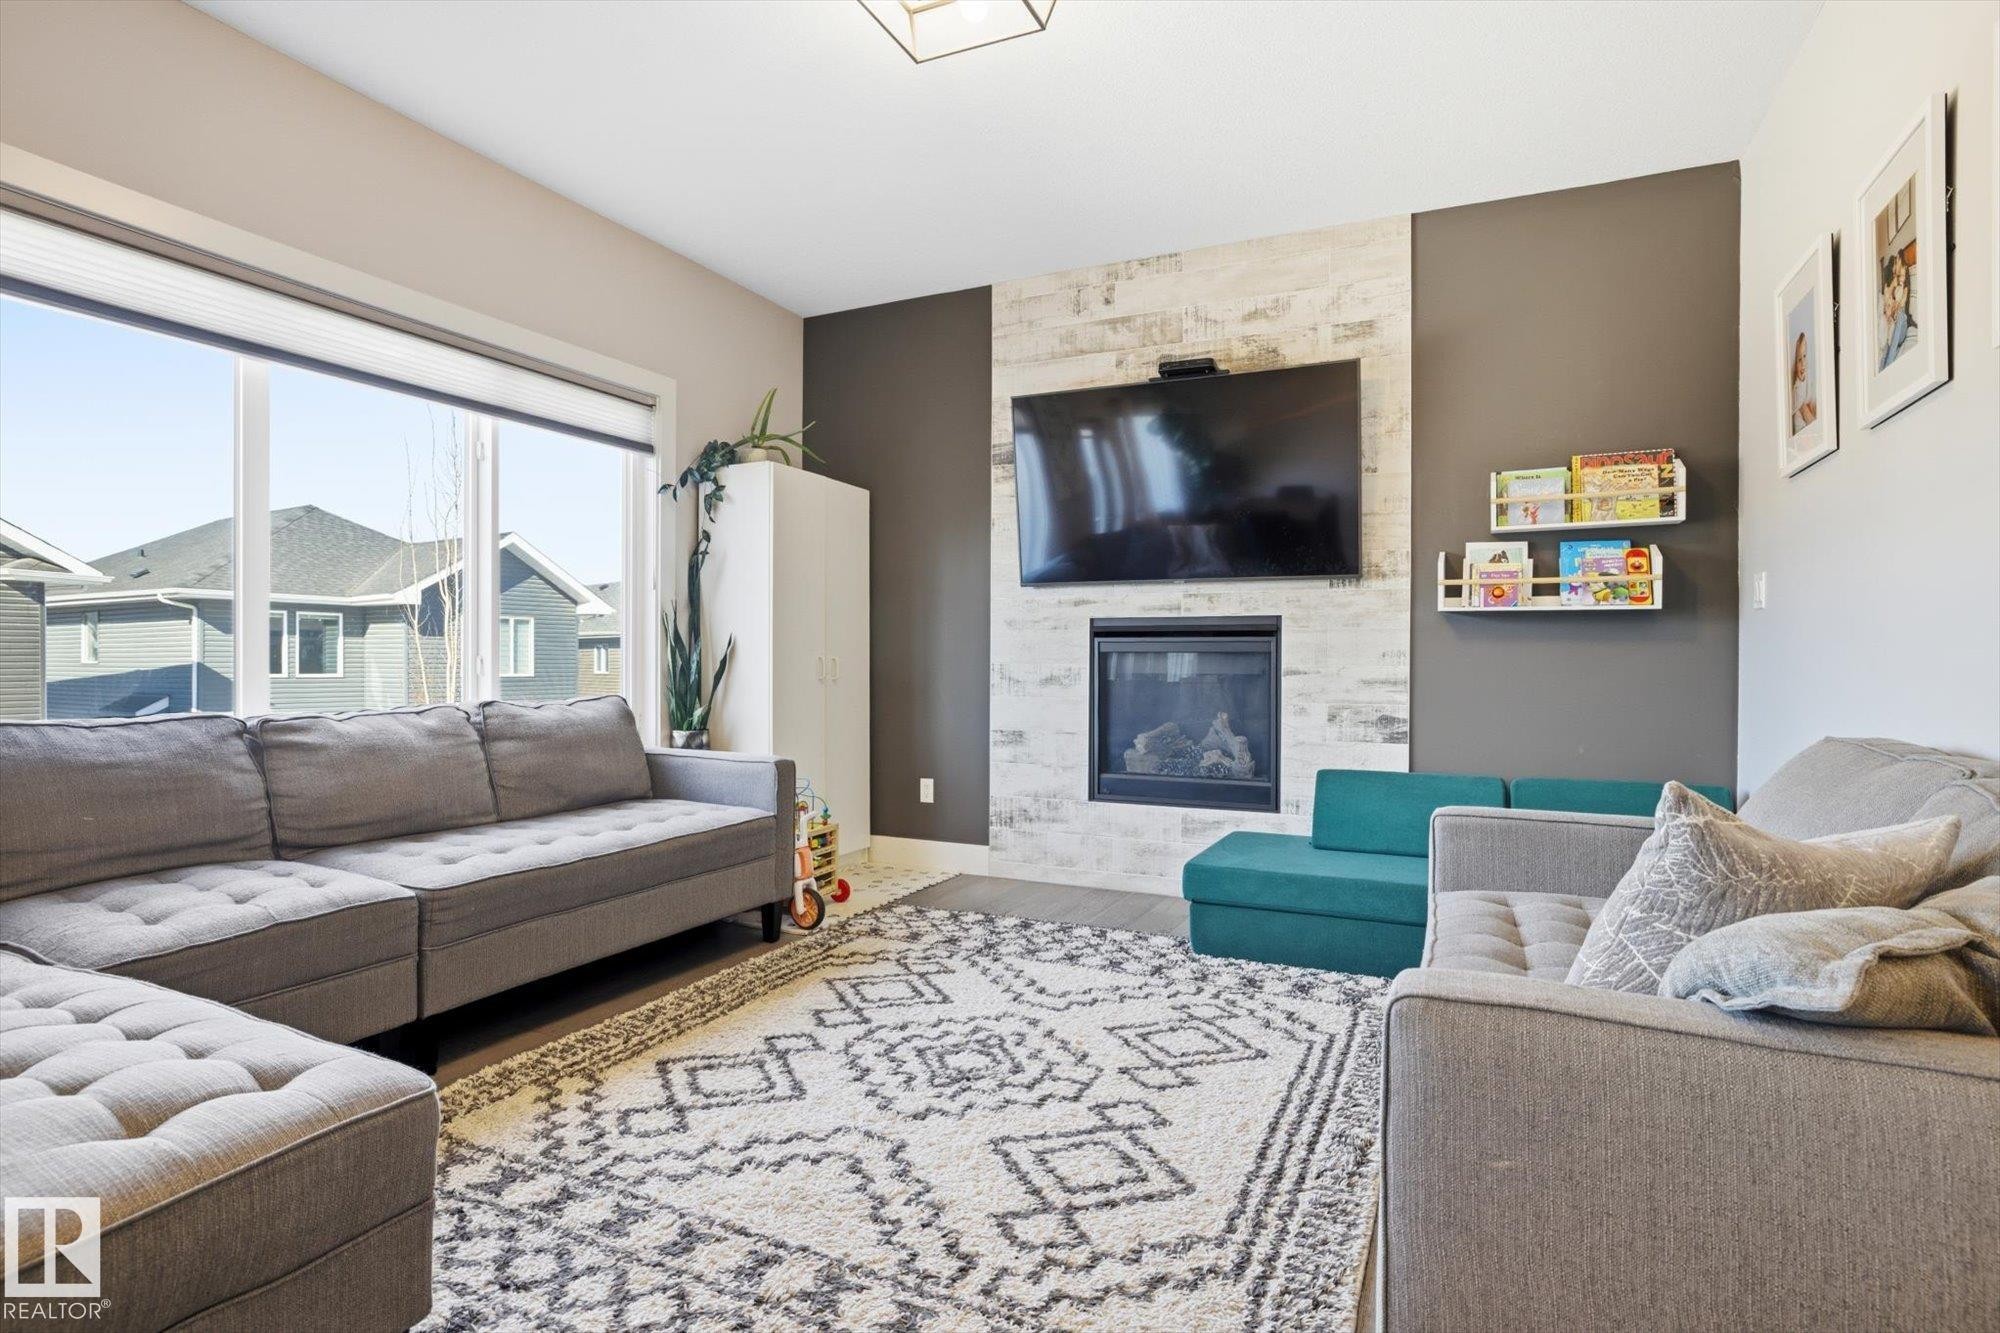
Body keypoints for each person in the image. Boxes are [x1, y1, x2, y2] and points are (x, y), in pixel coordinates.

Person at [1879, 250, 1916, 370]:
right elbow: (1890, 301)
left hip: (1901, 322)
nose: (1902, 278)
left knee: (1900, 316)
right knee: (1887, 340)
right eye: (1901, 276)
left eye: (1904, 276)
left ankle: (1889, 363)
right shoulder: (1895, 285)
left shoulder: (1904, 289)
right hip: (1894, 324)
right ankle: (1882, 365)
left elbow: (1900, 305)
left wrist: (1895, 308)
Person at [1789, 331, 1817, 432]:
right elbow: (1798, 404)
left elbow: (1812, 400)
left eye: (1804, 356)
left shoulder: (1808, 375)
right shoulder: (1794, 388)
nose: (1803, 364)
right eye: (1799, 359)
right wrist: (1804, 407)